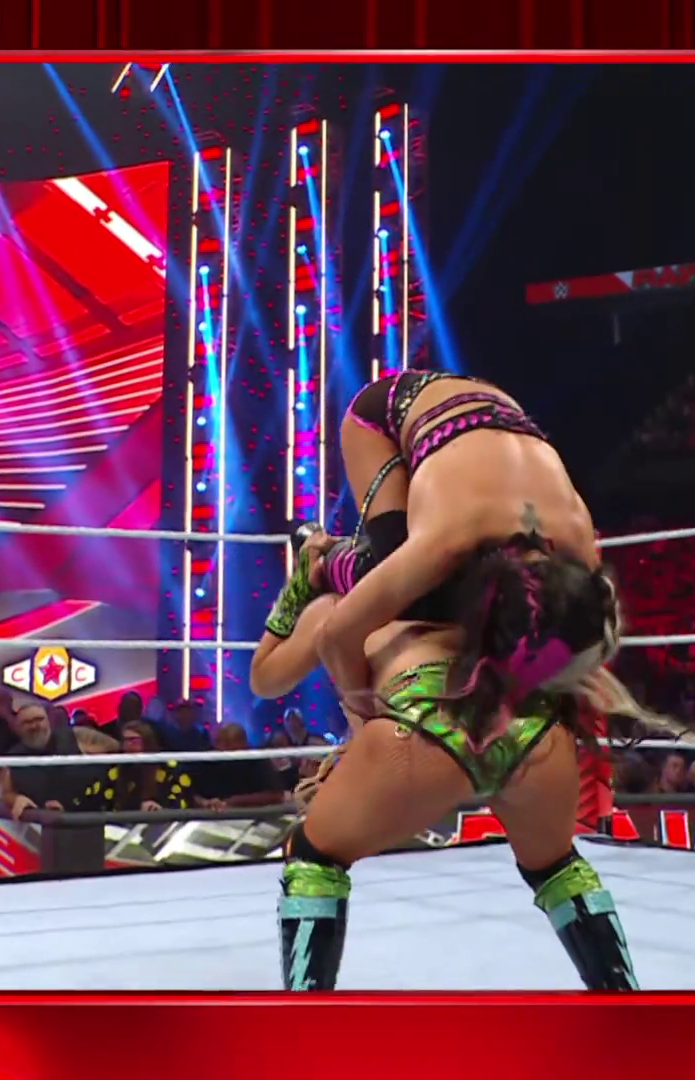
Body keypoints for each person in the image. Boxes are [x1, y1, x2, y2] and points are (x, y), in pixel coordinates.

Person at [255, 371, 657, 992]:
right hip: (389, 414)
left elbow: (270, 675)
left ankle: (304, 1027)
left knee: (314, 857)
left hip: (418, 723)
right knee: (557, 866)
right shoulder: (450, 547)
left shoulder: (570, 565)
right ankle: (628, 1005)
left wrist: (361, 715)